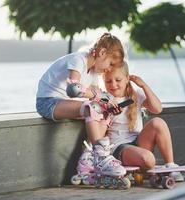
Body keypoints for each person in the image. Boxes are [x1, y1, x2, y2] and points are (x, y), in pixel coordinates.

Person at [36, 33, 127, 182]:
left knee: (104, 111)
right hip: (48, 102)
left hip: (62, 103)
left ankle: (88, 157)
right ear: (102, 52)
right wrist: (98, 97)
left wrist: (110, 104)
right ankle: (101, 157)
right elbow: (73, 90)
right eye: (110, 63)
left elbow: (99, 97)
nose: (109, 69)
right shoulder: (79, 60)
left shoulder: (94, 72)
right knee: (91, 107)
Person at [102, 61, 184, 182]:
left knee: (158, 122)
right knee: (148, 158)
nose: (113, 85)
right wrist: (108, 114)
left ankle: (171, 166)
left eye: (118, 80)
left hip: (138, 141)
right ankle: (145, 170)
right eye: (108, 81)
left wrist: (144, 86)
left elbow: (157, 109)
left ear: (127, 79)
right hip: (119, 148)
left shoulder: (135, 95)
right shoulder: (105, 99)